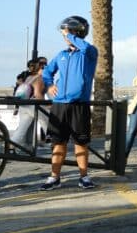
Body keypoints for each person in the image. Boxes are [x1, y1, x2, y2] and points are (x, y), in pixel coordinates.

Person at [39, 16, 98, 190]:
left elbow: (85, 46)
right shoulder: (61, 55)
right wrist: (49, 85)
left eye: (71, 32)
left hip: (79, 104)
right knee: (58, 143)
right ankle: (54, 177)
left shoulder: (89, 52)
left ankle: (84, 177)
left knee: (81, 142)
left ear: (78, 33)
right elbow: (47, 72)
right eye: (66, 33)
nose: (66, 36)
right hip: (59, 105)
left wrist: (70, 35)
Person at [10, 60, 47, 147]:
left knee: (21, 130)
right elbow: (37, 94)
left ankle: (10, 146)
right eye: (45, 68)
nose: (46, 70)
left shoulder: (29, 78)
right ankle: (57, 147)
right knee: (49, 125)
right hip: (34, 106)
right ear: (40, 68)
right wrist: (47, 105)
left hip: (25, 105)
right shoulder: (39, 78)